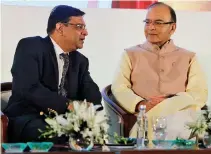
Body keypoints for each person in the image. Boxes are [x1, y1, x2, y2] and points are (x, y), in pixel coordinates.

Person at [4, 5, 102, 143]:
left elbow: (91, 91)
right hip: (29, 118)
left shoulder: (80, 61)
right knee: (61, 133)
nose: (85, 32)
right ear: (60, 28)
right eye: (79, 27)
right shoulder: (30, 46)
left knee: (95, 132)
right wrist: (69, 105)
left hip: (64, 121)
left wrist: (91, 108)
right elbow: (29, 88)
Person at [111, 2, 208, 140]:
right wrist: (140, 104)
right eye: (147, 22)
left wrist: (170, 103)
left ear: (172, 27)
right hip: (142, 115)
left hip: (180, 120)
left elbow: (198, 93)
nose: (151, 28)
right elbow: (119, 87)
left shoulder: (188, 57)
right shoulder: (130, 54)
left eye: (158, 23)